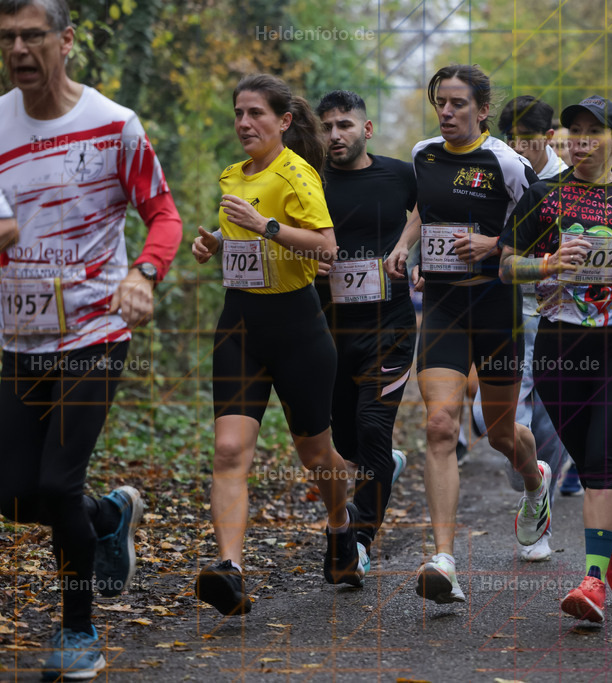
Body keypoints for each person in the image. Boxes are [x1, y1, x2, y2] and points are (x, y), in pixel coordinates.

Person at [0, 0, 182, 677]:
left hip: (95, 330)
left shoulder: (113, 125)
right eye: (7, 38)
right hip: (20, 337)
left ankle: (79, 633)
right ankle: (105, 517)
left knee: (56, 480)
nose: (19, 49)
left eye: (32, 35)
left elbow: (163, 212)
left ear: (67, 40)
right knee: (14, 493)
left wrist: (144, 273)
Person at [499, 95, 612, 624]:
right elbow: (506, 266)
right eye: (573, 131)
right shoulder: (542, 195)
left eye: (592, 132)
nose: (580, 141)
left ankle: (592, 581)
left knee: (601, 457)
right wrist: (547, 264)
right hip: (560, 347)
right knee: (587, 458)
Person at [190, 74, 356, 615]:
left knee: (314, 455)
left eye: (256, 113)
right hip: (239, 327)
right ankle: (231, 571)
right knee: (229, 450)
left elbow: (327, 247)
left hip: (297, 329)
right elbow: (242, 234)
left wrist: (266, 226)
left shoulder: (297, 173)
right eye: (239, 113)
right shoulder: (232, 175)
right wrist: (214, 242)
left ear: (283, 121)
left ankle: (341, 524)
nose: (244, 123)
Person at [383, 64, 549, 604]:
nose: (447, 112)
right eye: (441, 103)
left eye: (458, 104)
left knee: (500, 434)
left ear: (482, 110)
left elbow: (542, 227)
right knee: (439, 424)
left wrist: (496, 245)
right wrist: (405, 245)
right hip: (443, 304)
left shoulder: (507, 162)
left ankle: (535, 483)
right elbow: (421, 210)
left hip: (497, 306)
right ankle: (445, 561)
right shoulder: (424, 154)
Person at [313, 90, 416, 579]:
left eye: (345, 125)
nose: (335, 135)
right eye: (327, 127)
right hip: (329, 330)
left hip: (390, 326)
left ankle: (359, 540)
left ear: (366, 129)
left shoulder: (400, 175)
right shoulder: (308, 180)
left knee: (373, 425)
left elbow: (431, 211)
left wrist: (410, 251)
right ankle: (383, 464)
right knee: (347, 440)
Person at [468, 95, 570, 561]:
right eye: (511, 138)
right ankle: (533, 480)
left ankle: (540, 513)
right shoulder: (494, 168)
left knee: (551, 422)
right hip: (505, 308)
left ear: (548, 138)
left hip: (560, 313)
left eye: (527, 139)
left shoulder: (570, 183)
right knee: (489, 420)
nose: (518, 146)